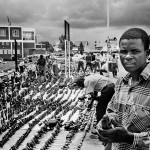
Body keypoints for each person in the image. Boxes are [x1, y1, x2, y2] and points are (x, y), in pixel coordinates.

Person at [97, 28, 150, 150]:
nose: (127, 56)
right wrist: (105, 126)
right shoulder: (121, 82)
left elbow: (125, 137)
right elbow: (112, 112)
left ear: (147, 53)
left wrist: (129, 138)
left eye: (135, 51)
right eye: (123, 51)